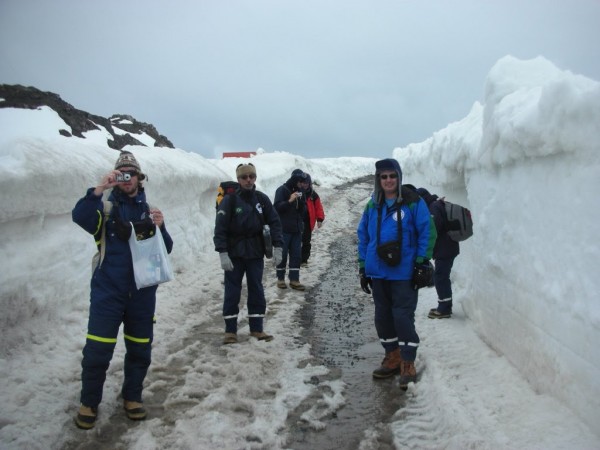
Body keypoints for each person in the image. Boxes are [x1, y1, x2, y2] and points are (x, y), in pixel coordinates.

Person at [72, 151, 174, 429]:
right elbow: (79, 216)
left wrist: (161, 227)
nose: (127, 179)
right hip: (108, 292)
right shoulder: (103, 211)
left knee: (140, 350)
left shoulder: (148, 210)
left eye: (132, 174)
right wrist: (99, 188)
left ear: (140, 179)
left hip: (142, 295)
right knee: (97, 351)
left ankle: (132, 397)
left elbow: (165, 249)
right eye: (122, 174)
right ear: (117, 178)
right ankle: (89, 402)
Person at [357, 158, 436, 389]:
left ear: (399, 178)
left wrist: (422, 262)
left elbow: (427, 232)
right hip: (378, 273)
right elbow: (363, 236)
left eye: (392, 176)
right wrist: (363, 266)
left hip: (403, 272)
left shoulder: (413, 202)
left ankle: (408, 361)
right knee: (382, 318)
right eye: (384, 176)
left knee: (402, 317)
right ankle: (392, 356)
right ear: (378, 180)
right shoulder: (373, 205)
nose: (388, 180)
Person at [214, 163, 283, 344]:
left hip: (255, 252)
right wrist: (222, 252)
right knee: (232, 290)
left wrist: (278, 247)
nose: (248, 180)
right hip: (234, 253)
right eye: (244, 177)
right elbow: (220, 228)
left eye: (251, 176)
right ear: (238, 179)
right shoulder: (229, 201)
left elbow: (275, 222)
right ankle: (230, 331)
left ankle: (257, 328)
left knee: (256, 288)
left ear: (255, 178)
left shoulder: (262, 199)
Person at [416, 187, 460, 319]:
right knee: (440, 277)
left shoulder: (433, 207)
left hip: (445, 249)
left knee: (440, 278)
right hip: (447, 247)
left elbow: (434, 227)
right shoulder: (436, 204)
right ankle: (444, 305)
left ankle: (444, 309)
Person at [273, 169, 308, 290]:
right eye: (300, 181)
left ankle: (294, 279)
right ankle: (280, 279)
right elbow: (276, 208)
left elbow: (302, 212)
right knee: (282, 255)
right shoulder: (282, 190)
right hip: (284, 229)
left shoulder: (300, 192)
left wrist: (302, 202)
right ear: (295, 180)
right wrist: (289, 201)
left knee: (296, 255)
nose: (302, 184)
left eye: (303, 182)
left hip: (297, 230)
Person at [301, 173, 325, 265]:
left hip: (308, 222)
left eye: (307, 182)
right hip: (297, 221)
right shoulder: (296, 193)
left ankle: (304, 260)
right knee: (297, 242)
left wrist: (319, 219)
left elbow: (318, 207)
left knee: (306, 241)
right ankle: (296, 258)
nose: (305, 184)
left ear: (310, 183)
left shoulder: (313, 195)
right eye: (303, 182)